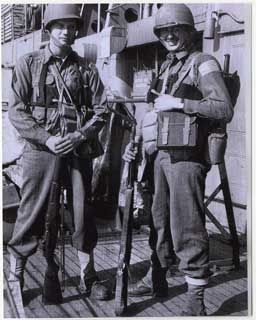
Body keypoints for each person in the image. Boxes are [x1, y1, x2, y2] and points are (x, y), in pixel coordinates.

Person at [123, 3, 233, 315]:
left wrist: (181, 102)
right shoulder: (167, 66)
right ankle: (157, 277)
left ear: (188, 31)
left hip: (187, 159)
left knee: (187, 227)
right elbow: (151, 113)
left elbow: (224, 108)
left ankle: (195, 301)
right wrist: (137, 145)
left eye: (175, 29)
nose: (169, 35)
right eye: (163, 31)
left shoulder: (203, 63)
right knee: (158, 223)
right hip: (160, 156)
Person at [8, 4, 111, 302]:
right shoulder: (29, 64)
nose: (67, 32)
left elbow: (102, 109)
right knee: (32, 212)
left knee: (82, 211)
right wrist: (47, 139)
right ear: (49, 30)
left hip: (78, 151)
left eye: (71, 26)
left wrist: (79, 135)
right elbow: (16, 111)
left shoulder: (86, 68)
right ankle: (15, 277)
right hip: (41, 151)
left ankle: (88, 276)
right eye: (60, 26)